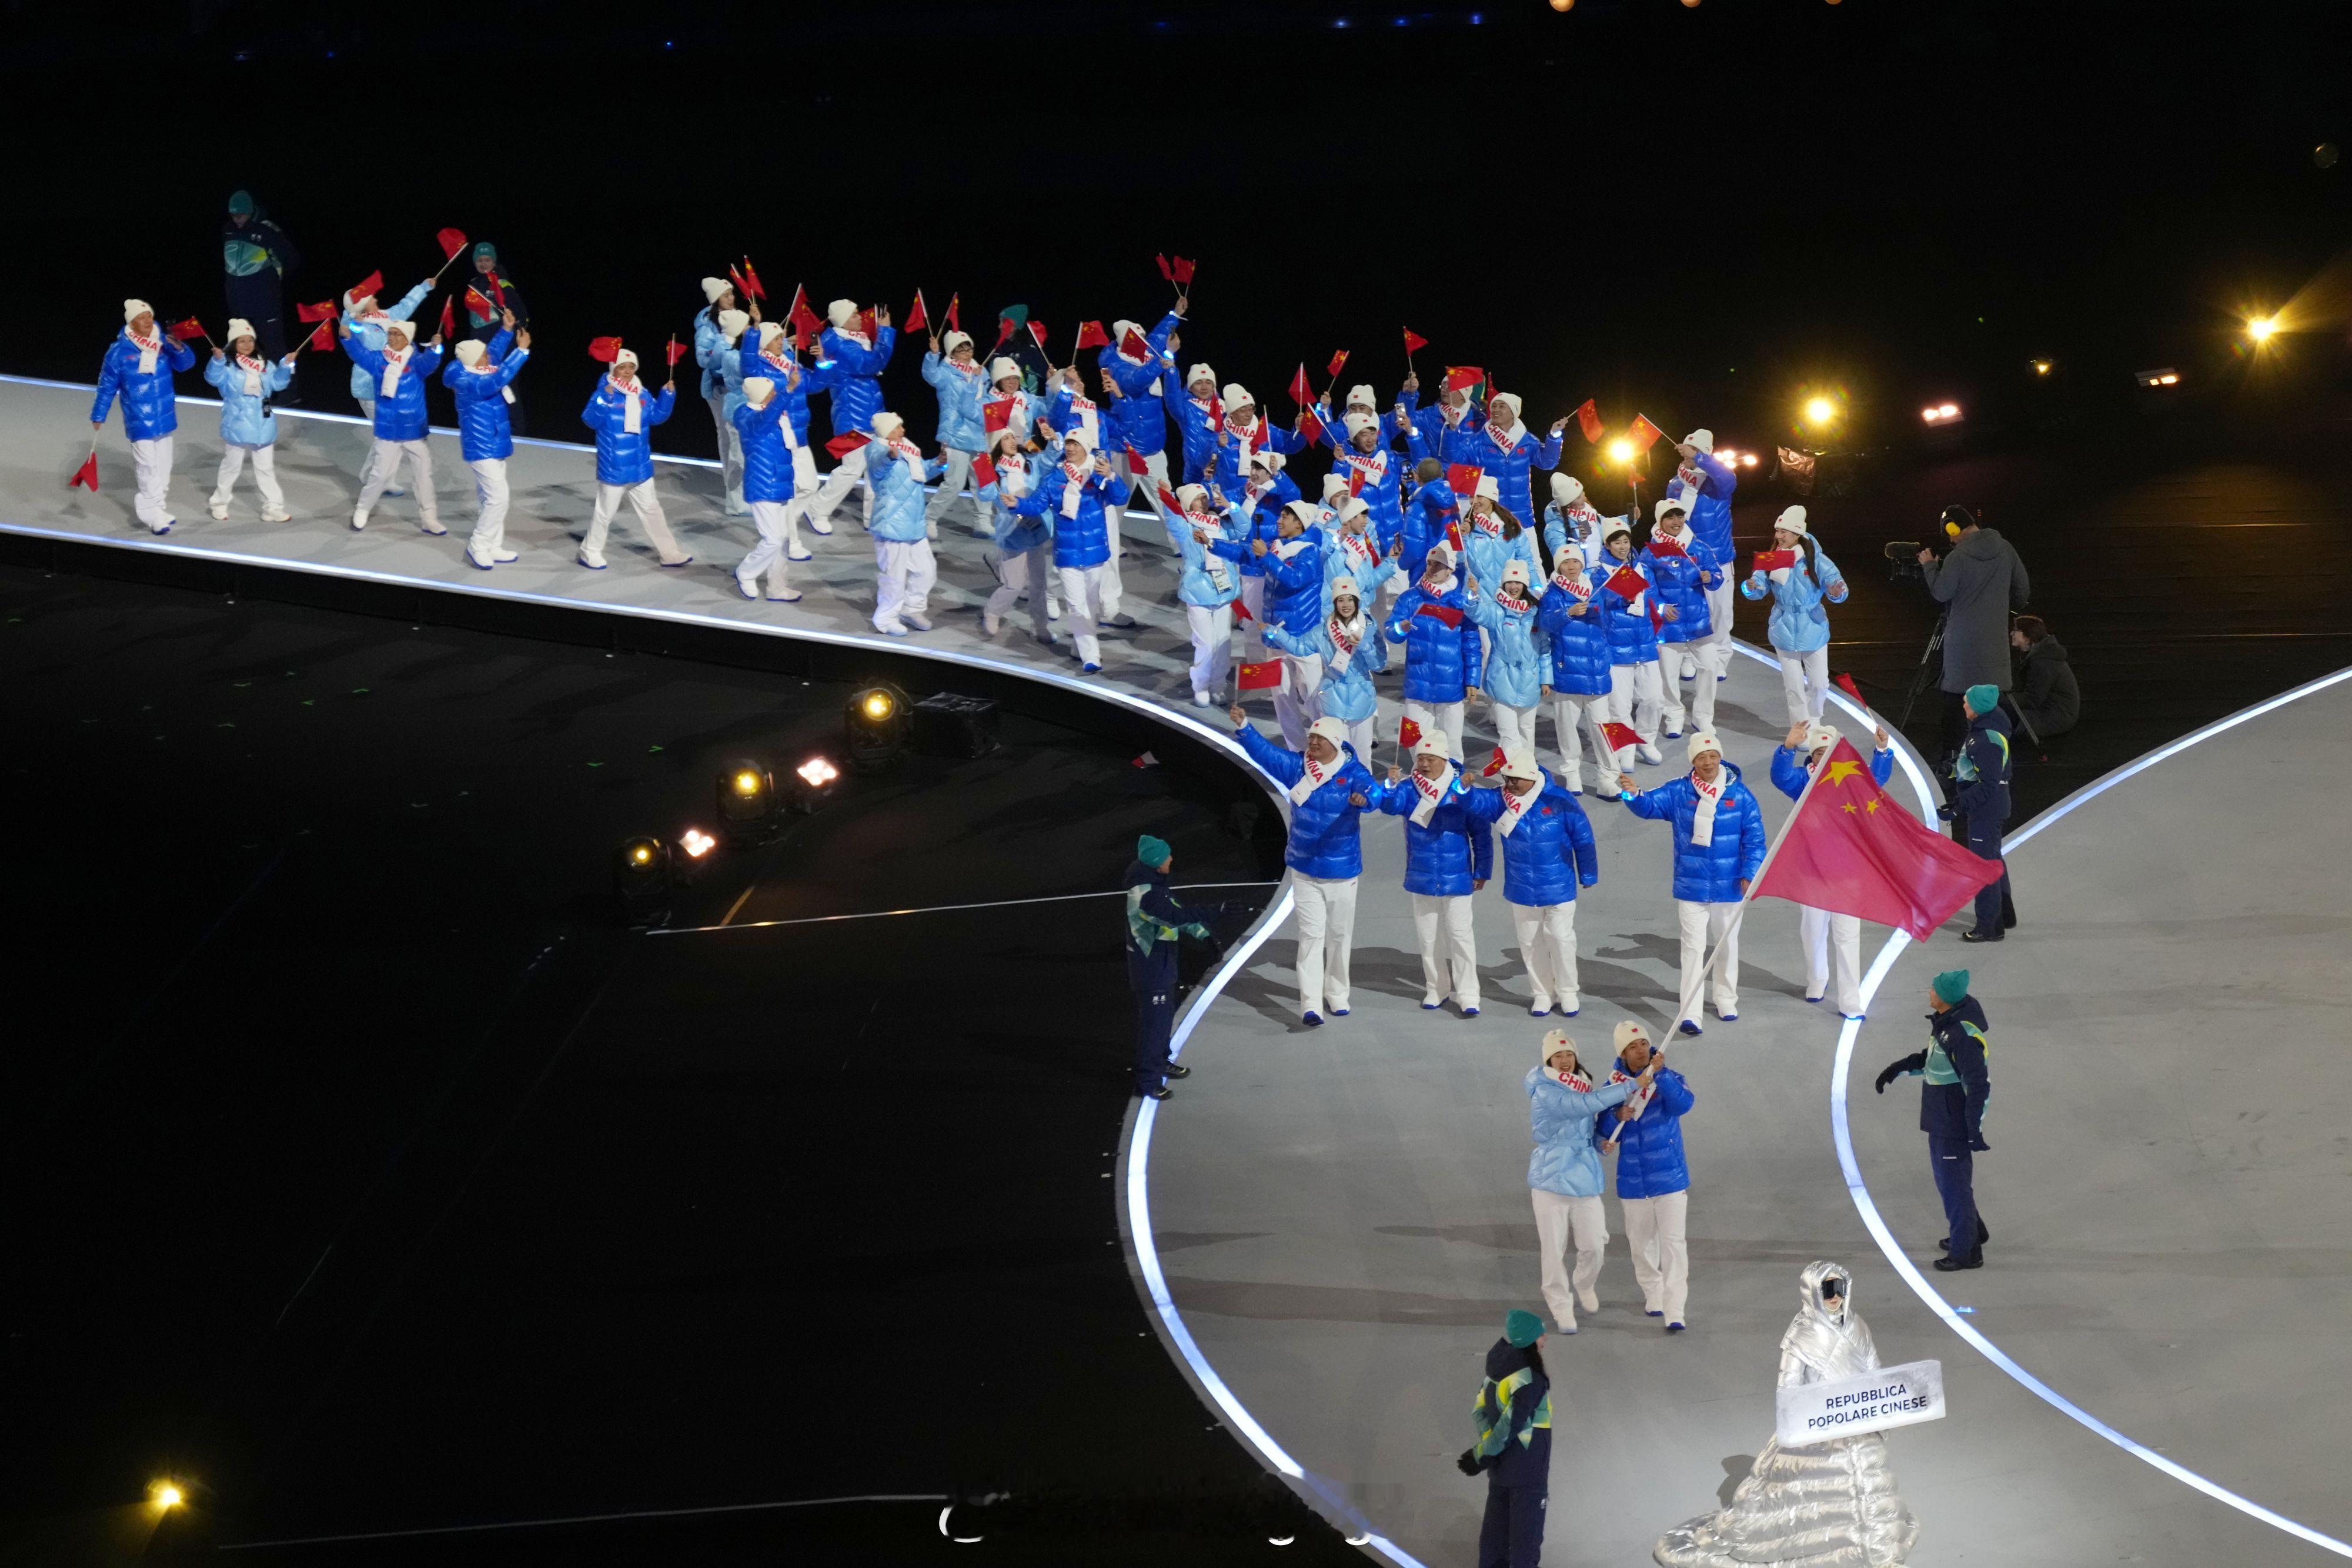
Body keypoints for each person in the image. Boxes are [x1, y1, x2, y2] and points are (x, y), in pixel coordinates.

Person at [1654, 1262, 1920, 1566]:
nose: (1835, 1296)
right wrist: (1806, 1420)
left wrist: (1882, 1408)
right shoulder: (1802, 1334)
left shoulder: (1857, 1326)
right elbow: (1789, 1386)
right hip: (1819, 1426)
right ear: (1813, 1292)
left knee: (1869, 1487)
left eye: (1839, 1288)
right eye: (1827, 1289)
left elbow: (1874, 1369)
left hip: (1857, 1422)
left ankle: (1870, 1545)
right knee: (1810, 1494)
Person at [1230, 710, 1377, 1025]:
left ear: (1335, 742)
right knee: (1311, 935)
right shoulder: (1298, 767)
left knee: (1339, 936)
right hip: (1305, 867)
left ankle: (1337, 994)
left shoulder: (1354, 772)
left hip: (1342, 871)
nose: (1313, 743)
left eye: (1319, 739)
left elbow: (1373, 791)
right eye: (1311, 737)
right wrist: (1245, 727)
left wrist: (1367, 800)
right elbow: (1266, 754)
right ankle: (1310, 1004)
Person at [1618, 733, 1766, 1034]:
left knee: (1726, 947)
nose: (1708, 762)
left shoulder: (1742, 796)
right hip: (1691, 886)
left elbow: (1755, 841)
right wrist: (1632, 795)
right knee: (1692, 950)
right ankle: (1690, 1013)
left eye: (1713, 756)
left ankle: (1726, 999)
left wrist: (1750, 874)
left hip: (1730, 887)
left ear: (1720, 758)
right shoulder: (1678, 790)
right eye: (1701, 757)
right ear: (1693, 761)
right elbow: (1649, 805)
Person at [1769, 721, 1893, 1017]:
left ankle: (1850, 999)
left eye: (1829, 751)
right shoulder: (1803, 781)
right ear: (1811, 756)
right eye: (1818, 753)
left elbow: (1876, 778)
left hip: (1847, 871)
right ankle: (1817, 979)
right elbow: (1780, 777)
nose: (1823, 757)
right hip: (1811, 870)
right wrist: (1788, 747)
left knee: (1848, 936)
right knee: (1813, 930)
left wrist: (1882, 750)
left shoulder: (1852, 778)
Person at [1526, 1031, 1646, 1332]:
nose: (1565, 1060)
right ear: (1549, 1061)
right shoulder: (1545, 1090)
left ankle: (1584, 1282)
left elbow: (1585, 1127)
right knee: (1553, 1250)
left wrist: (1599, 1142)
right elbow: (1580, 1107)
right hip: (1550, 1179)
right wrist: (1631, 1085)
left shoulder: (1581, 1084)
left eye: (1569, 1054)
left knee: (1595, 1245)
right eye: (1558, 1056)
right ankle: (1560, 1304)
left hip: (1584, 1177)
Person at [1872, 969, 1992, 1271]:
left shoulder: (1961, 1036)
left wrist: (1974, 1130)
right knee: (1952, 1183)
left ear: (1945, 997)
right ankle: (1971, 1233)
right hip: (1943, 1118)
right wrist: (1898, 1068)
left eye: (1934, 989)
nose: (1929, 991)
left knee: (1954, 1187)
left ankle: (1966, 1253)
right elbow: (1934, 1060)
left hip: (1952, 1125)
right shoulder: (1948, 1025)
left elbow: (1978, 1084)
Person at [1468, 747, 1599, 1017]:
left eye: (1515, 779)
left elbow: (1583, 837)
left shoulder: (1560, 800)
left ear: (1531, 777)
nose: (1509, 784)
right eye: (1506, 779)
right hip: (1521, 888)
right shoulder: (1500, 800)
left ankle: (1568, 992)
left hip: (1558, 885)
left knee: (1561, 939)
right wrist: (1463, 788)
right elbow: (1472, 803)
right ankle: (1542, 993)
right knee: (1530, 943)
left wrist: (1588, 873)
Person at [1379, 734, 1494, 1016]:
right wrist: (1390, 786)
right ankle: (1436, 988)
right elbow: (1389, 806)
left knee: (1460, 937)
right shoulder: (1408, 788)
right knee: (1428, 938)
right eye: (1420, 759)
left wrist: (1482, 870)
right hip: (1422, 875)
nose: (1425, 764)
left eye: (1431, 759)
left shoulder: (1462, 789)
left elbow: (1481, 834)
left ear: (1444, 760)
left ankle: (1468, 995)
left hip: (1458, 876)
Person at [1007, 428, 1130, 674]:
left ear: (1086, 447)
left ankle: (1079, 645)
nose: (1071, 448)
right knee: (1076, 605)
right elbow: (1037, 504)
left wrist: (1112, 477)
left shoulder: (1097, 474)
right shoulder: (1055, 477)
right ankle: (1091, 656)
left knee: (1091, 604)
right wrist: (1017, 504)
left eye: (1076, 444)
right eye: (1069, 443)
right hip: (1067, 552)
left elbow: (1120, 498)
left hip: (1095, 551)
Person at [1602, 1019, 1695, 1330]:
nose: (1641, 1050)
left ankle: (1675, 1308)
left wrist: (1662, 1074)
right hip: (1633, 1181)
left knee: (1674, 1244)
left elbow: (1683, 1104)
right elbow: (1600, 1127)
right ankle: (1653, 1291)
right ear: (1623, 1054)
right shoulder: (1613, 1086)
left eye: (1643, 1043)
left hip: (1670, 1177)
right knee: (1641, 1246)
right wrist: (1616, 1116)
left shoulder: (1668, 1076)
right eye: (1632, 1046)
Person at [1918, 505, 2030, 759]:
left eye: (1950, 534)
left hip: (1962, 645)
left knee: (1957, 699)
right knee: (1991, 699)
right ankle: (1993, 753)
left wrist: (1930, 567)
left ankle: (1952, 756)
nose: (1950, 540)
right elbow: (2022, 592)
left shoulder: (1958, 557)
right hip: (1995, 643)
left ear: (1953, 528)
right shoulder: (2005, 549)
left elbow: (1942, 593)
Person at [1455, 1309, 1555, 1568]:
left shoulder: (1494, 1374)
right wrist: (1481, 1454)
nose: (1545, 1337)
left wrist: (1491, 1449)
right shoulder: (1530, 1379)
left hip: (1501, 1470)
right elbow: (1509, 1427)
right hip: (1528, 1472)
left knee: (1495, 1539)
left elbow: (1479, 1413)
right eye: (1541, 1333)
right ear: (1529, 1339)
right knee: (1525, 1543)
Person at [578, 348, 691, 570]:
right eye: (623, 367)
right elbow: (590, 420)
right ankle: (589, 551)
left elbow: (656, 417)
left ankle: (669, 553)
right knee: (605, 514)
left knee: (653, 511)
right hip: (615, 466)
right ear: (614, 369)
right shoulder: (604, 393)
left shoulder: (642, 392)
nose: (628, 371)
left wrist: (667, 397)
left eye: (631, 367)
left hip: (640, 467)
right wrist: (605, 398)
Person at [91, 300, 196, 535]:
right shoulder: (119, 351)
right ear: (131, 323)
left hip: (164, 416)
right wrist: (99, 414)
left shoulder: (164, 341)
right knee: (147, 467)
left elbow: (186, 365)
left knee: (164, 466)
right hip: (139, 418)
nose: (148, 321)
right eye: (142, 317)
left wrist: (180, 348)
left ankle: (159, 507)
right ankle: (151, 514)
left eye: (149, 316)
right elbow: (106, 386)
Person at [1229, 500, 1328, 747]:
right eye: (1280, 515)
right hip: (1275, 636)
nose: (1279, 520)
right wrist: (1211, 544)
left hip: (1303, 638)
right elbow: (1244, 554)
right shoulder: (1275, 547)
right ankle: (1297, 749)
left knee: (1313, 697)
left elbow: (1295, 579)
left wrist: (1267, 557)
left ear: (1300, 523)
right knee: (1282, 699)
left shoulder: (1311, 552)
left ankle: (1328, 745)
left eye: (1285, 517)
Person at [1124, 834, 1215, 1101]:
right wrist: (1212, 914)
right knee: (1154, 1026)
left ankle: (1160, 1061)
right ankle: (1148, 1080)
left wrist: (1204, 935)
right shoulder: (1145, 895)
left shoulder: (1156, 886)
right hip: (1151, 971)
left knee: (1163, 1021)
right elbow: (1174, 917)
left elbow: (1176, 913)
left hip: (1161, 968)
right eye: (1167, 857)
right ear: (1156, 862)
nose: (1172, 859)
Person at [1740, 504, 1849, 724]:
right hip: (1783, 628)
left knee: (1820, 684)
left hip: (1814, 627)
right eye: (1777, 531)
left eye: (1784, 532)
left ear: (1797, 533)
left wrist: (1837, 592)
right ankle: (1801, 730)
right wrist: (1750, 587)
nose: (1778, 536)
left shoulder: (1817, 560)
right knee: (1794, 687)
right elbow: (1758, 587)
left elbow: (1838, 586)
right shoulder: (1772, 558)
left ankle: (1814, 720)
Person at [342, 316, 445, 535]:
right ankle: (363, 509)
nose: (392, 338)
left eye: (397, 334)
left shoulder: (416, 362)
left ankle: (429, 518)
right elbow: (359, 353)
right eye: (390, 333)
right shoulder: (379, 360)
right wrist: (348, 337)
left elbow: (431, 362)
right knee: (379, 475)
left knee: (423, 476)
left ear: (407, 338)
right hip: (388, 429)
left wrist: (436, 349)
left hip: (413, 430)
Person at [1266, 574, 1388, 758]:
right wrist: (1276, 634)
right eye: (1341, 600)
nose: (1346, 605)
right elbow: (1300, 647)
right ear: (1335, 603)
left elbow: (1379, 663)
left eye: (1350, 599)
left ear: (1356, 602)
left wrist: (1363, 645)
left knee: (1362, 756)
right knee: (1335, 755)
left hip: (1362, 698)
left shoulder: (1369, 628)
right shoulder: (1323, 631)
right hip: (1332, 699)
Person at [441, 324, 532, 569]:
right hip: (481, 446)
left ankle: (493, 546)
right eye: (483, 355)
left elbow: (493, 352)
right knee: (498, 498)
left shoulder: (477, 368)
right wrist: (521, 352)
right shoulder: (471, 382)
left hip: (495, 442)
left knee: (489, 498)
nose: (488, 357)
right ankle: (478, 545)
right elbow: (499, 378)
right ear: (473, 360)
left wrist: (506, 330)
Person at [805, 300, 897, 533]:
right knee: (852, 468)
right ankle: (817, 508)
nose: (860, 318)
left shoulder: (856, 340)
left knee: (875, 465)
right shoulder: (840, 344)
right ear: (843, 320)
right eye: (854, 315)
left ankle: (872, 517)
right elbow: (870, 364)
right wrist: (885, 332)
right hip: (850, 416)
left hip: (870, 413)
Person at [1384, 545, 1482, 763]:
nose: (1432, 568)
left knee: (1452, 746)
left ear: (1450, 570)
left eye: (1439, 565)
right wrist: (1401, 628)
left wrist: (1472, 681)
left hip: (1451, 687)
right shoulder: (1410, 598)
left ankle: (1453, 781)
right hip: (1418, 687)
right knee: (1416, 743)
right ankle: (1421, 780)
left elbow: (1472, 645)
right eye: (1430, 563)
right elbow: (1391, 632)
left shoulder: (1461, 603)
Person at [1534, 549, 1616, 795]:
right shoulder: (1553, 593)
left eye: (1575, 562)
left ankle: (1608, 778)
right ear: (1558, 567)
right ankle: (1572, 773)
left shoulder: (1595, 588)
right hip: (1567, 669)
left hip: (1596, 669)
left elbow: (1608, 623)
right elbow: (1544, 623)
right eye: (1566, 563)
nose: (1571, 567)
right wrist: (1567, 613)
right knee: (1567, 726)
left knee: (1602, 727)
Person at [340, 278, 430, 496]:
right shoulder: (359, 325)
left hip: (392, 389)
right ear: (363, 304)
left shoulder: (386, 317)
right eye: (368, 296)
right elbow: (351, 333)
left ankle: (374, 477)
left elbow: (406, 305)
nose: (374, 296)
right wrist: (354, 320)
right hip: (369, 389)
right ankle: (378, 479)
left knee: (387, 436)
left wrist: (424, 287)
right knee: (388, 436)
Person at [202, 319, 297, 523]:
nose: (247, 344)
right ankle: (219, 503)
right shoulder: (227, 366)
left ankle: (273, 508)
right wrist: (216, 361)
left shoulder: (265, 365)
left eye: (250, 340)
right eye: (241, 341)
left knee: (265, 469)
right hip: (237, 423)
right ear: (233, 344)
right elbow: (213, 379)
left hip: (263, 422)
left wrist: (284, 366)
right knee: (231, 467)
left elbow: (278, 384)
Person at [1646, 500, 1726, 741]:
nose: (1676, 522)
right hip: (1669, 624)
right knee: (1669, 675)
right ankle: (1674, 715)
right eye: (1670, 518)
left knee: (1710, 666)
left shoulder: (1698, 547)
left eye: (1679, 517)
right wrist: (1661, 607)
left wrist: (1711, 577)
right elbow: (1646, 586)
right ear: (1661, 521)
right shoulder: (1652, 551)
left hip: (1698, 622)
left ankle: (1703, 717)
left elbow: (1718, 576)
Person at [863, 411, 947, 634]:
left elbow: (921, 472)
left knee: (927, 571)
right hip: (891, 524)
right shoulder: (876, 448)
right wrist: (889, 457)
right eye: (898, 427)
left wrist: (939, 464)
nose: (903, 430)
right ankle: (885, 619)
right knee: (894, 577)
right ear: (887, 430)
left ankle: (912, 609)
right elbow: (877, 467)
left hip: (914, 524)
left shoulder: (908, 448)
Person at [1098, 305, 1184, 516]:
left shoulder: (1145, 353)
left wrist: (1175, 314)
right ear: (1126, 342)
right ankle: (1109, 539)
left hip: (1154, 449)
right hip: (1128, 451)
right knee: (1116, 506)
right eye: (1138, 338)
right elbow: (1136, 381)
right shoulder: (1115, 365)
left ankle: (1180, 539)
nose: (1144, 342)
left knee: (1169, 506)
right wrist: (1167, 354)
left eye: (1143, 337)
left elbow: (1159, 336)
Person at [1668, 430, 1739, 682]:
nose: (1687, 456)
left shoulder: (1719, 483)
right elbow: (1670, 520)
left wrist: (1698, 458)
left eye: (1695, 451)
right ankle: (1690, 657)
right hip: (1687, 559)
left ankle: (1720, 657)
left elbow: (1726, 476)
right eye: (1687, 451)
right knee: (1692, 609)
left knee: (1720, 612)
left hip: (1719, 558)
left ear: (1705, 454)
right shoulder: (1676, 483)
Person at [1945, 683, 2014, 942]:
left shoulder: (1987, 740)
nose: (1963, 704)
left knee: (1984, 868)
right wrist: (1953, 768)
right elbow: (1976, 769)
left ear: (1978, 708)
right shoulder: (1987, 729)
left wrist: (1958, 806)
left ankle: (1989, 927)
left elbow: (1988, 784)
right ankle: (2005, 915)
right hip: (1990, 807)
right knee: (1993, 859)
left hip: (1986, 809)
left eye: (1967, 701)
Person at [1593, 521, 1665, 767]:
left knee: (1655, 699)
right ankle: (1625, 748)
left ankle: (1646, 740)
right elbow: (1596, 606)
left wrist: (1664, 609)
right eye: (1617, 543)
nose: (1623, 547)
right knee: (1619, 706)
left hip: (1645, 645)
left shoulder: (1644, 569)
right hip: (1616, 648)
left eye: (1626, 541)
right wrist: (1618, 593)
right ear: (1607, 545)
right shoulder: (1599, 574)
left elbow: (1654, 600)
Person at [730, 375, 807, 603]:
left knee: (783, 540)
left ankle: (777, 587)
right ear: (760, 396)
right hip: (762, 485)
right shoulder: (748, 417)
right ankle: (746, 572)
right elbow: (766, 418)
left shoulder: (775, 415)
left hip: (780, 483)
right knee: (773, 539)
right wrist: (789, 389)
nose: (775, 394)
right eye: (771, 392)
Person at [977, 426, 1055, 643]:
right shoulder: (996, 470)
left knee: (1039, 584)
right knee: (1014, 584)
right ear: (997, 445)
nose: (1012, 441)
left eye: (1013, 437)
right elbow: (986, 495)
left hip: (1035, 529)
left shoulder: (1030, 462)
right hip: (1013, 533)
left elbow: (1050, 460)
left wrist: (1054, 441)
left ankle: (1040, 626)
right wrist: (983, 471)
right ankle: (992, 612)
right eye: (1006, 438)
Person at [1465, 560, 1548, 759]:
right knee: (1509, 735)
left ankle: (1527, 771)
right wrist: (1473, 595)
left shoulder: (1535, 612)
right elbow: (1477, 613)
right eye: (1509, 582)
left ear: (1525, 585)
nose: (1513, 587)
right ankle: (1511, 771)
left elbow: (1545, 647)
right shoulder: (1496, 610)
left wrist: (1546, 679)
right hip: (1502, 679)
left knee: (1527, 732)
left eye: (1518, 582)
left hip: (1530, 681)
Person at [920, 328, 989, 536]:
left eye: (969, 349)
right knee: (955, 483)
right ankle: (928, 518)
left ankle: (982, 522)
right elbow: (930, 375)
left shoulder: (981, 372)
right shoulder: (946, 372)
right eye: (961, 350)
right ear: (952, 352)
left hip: (979, 434)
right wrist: (933, 355)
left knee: (983, 481)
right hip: (955, 433)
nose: (967, 354)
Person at [220, 190, 300, 370]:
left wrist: (270, 280)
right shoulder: (228, 230)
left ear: (250, 211)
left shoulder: (266, 230)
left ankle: (287, 387)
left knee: (275, 348)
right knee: (241, 349)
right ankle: (247, 383)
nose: (237, 219)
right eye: (233, 215)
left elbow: (292, 259)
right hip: (238, 303)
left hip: (265, 303)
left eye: (241, 215)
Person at [460, 243, 529, 433]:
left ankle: (517, 430)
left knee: (507, 383)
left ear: (494, 262)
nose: (483, 264)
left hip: (503, 344)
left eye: (487, 260)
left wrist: (520, 326)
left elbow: (520, 312)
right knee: (481, 384)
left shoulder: (502, 283)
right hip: (479, 346)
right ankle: (485, 426)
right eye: (480, 260)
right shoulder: (474, 284)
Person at [693, 276, 747, 514]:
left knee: (737, 439)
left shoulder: (739, 318)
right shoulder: (707, 326)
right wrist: (725, 345)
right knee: (730, 439)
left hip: (741, 386)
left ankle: (739, 491)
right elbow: (703, 359)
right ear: (716, 300)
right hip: (721, 389)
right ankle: (735, 497)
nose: (731, 298)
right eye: (726, 295)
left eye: (732, 293)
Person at [2007, 614, 2079, 740]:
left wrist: (1998, 697)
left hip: (2053, 717)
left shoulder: (2043, 662)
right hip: (2055, 714)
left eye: (2016, 630)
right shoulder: (2042, 656)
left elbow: (2032, 700)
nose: (2011, 634)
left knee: (1997, 716)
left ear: (2029, 634)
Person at [1540, 473, 1612, 572]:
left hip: (1600, 574)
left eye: (1582, 493)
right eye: (1578, 498)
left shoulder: (1590, 513)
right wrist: (1581, 542)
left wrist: (1630, 518)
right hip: (1579, 578)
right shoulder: (1554, 528)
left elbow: (1611, 525)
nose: (1584, 498)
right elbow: (1563, 560)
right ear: (1568, 504)